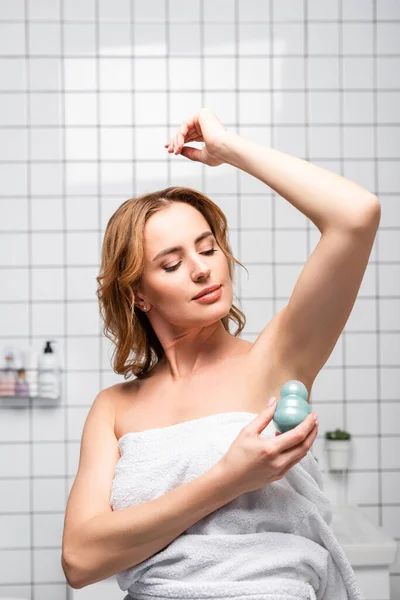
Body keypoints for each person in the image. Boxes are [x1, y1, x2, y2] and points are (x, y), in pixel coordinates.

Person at [61, 108, 380, 595]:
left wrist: (229, 148)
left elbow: (356, 216)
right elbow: (80, 561)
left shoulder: (275, 358)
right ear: (138, 294)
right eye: (172, 263)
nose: (202, 270)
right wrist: (229, 478)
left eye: (208, 249)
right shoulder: (114, 408)